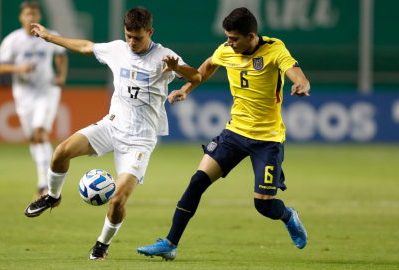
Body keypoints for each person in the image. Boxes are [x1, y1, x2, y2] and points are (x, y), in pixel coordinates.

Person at [23, 7, 201, 260]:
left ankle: (102, 244)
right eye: (128, 36)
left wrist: (179, 70)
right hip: (111, 126)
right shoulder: (118, 49)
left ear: (150, 32)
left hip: (140, 140)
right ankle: (52, 196)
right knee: (61, 152)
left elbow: (197, 75)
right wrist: (50, 37)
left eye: (137, 37)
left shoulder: (165, 56)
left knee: (117, 201)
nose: (132, 42)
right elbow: (86, 46)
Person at [137, 7, 310, 261]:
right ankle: (170, 243)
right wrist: (186, 88)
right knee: (197, 182)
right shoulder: (227, 50)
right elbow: (207, 66)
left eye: (234, 39)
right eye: (227, 38)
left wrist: (301, 84)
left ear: (251, 37)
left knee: (263, 205)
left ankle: (288, 216)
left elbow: (296, 72)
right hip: (234, 134)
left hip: (267, 140)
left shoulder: (275, 50)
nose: (229, 43)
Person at [0, 1, 68, 199]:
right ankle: (44, 181)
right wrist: (19, 69)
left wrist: (61, 76)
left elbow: (61, 55)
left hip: (47, 91)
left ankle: (43, 185)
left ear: (39, 17)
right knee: (33, 138)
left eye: (34, 14)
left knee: (39, 133)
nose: (31, 18)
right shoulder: (12, 40)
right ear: (21, 17)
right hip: (24, 95)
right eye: (28, 14)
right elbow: (1, 67)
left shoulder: (49, 35)